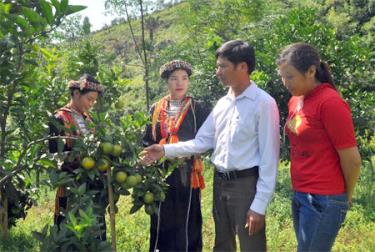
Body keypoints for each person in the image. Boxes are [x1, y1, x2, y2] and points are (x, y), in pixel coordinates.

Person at [141, 40, 280, 251]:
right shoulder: (223, 104)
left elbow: (270, 158)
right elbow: (202, 141)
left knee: (251, 245)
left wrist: (259, 205)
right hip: (220, 183)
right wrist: (164, 150)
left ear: (242, 67)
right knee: (222, 244)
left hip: (246, 184)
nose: (217, 72)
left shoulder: (263, 103)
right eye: (217, 66)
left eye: (223, 66)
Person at [276, 42, 361, 251]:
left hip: (325, 198)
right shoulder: (296, 100)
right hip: (301, 193)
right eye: (282, 76)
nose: (284, 82)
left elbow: (352, 160)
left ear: (311, 71)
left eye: (290, 76)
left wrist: (344, 198)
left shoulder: (330, 103)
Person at [142, 60, 210, 252]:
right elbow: (147, 139)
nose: (179, 83)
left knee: (187, 218)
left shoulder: (198, 109)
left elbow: (205, 140)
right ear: (167, 82)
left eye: (184, 78)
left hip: (186, 172)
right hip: (160, 173)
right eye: (174, 78)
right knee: (161, 217)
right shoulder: (155, 108)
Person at [49, 73, 107, 240]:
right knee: (71, 230)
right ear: (76, 94)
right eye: (89, 99)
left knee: (94, 228)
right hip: (71, 186)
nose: (92, 104)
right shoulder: (59, 118)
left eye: (94, 101)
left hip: (92, 184)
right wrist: (79, 159)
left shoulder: (88, 119)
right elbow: (54, 155)